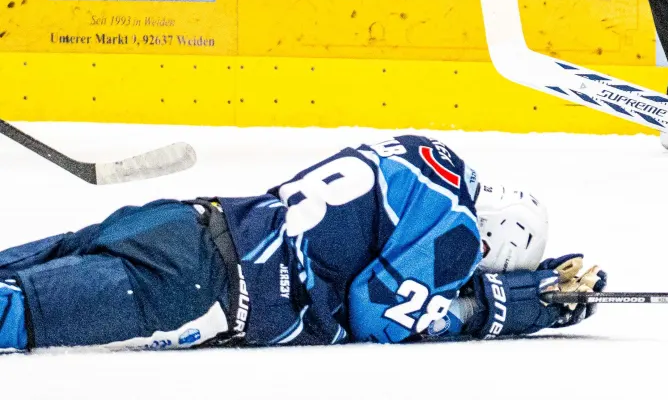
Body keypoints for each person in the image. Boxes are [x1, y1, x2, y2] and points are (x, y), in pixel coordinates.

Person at [0, 134, 606, 351]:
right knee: (14, 316)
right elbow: (383, 318)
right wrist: (497, 307)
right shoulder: (458, 233)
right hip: (198, 291)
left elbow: (367, 239)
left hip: (180, 223)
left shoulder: (429, 155)